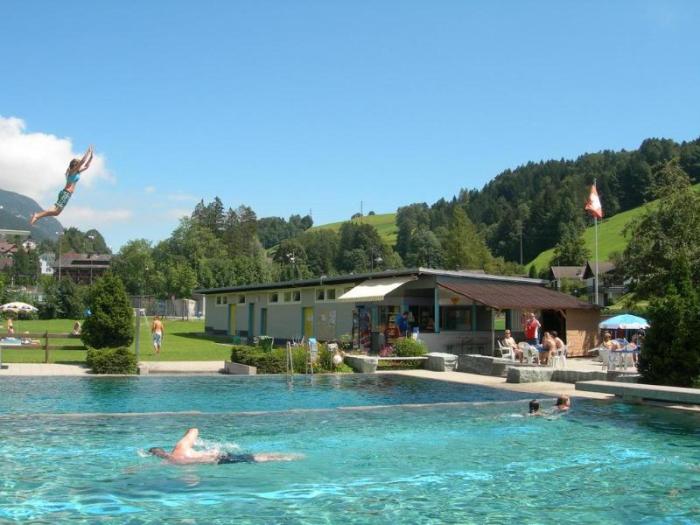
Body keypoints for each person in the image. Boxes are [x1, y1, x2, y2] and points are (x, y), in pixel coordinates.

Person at [148, 428, 302, 465]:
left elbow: (147, 468)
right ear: (163, 450)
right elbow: (194, 430)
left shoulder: (171, 461)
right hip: (219, 457)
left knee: (254, 459)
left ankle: (287, 457)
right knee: (255, 457)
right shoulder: (180, 447)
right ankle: (288, 456)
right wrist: (189, 436)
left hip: (218, 461)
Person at [30, 145, 93, 225]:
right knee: (56, 211)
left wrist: (91, 157)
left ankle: (37, 216)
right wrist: (88, 151)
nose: (79, 166)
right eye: (77, 165)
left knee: (56, 212)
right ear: (74, 166)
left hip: (66, 194)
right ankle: (37, 215)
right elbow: (83, 162)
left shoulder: (77, 172)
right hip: (66, 193)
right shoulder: (71, 172)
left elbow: (86, 166)